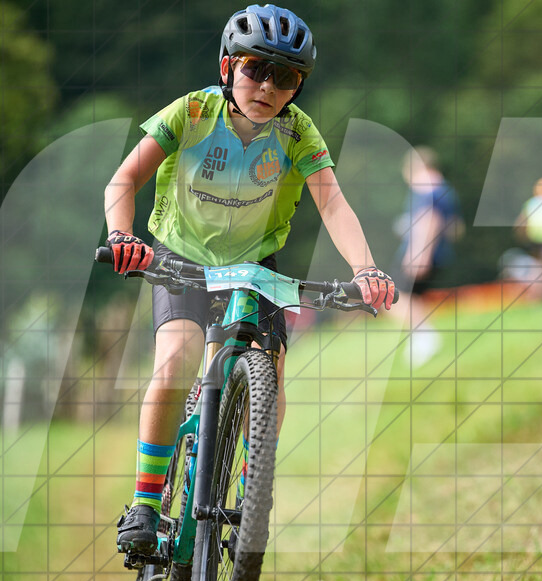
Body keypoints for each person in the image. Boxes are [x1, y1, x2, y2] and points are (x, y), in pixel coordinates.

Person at [106, 4, 396, 553]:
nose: (266, 85)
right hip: (181, 258)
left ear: (297, 87)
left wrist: (366, 269)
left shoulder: (297, 132)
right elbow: (122, 181)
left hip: (254, 265)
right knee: (177, 359)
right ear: (226, 67)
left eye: (284, 76)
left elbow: (332, 202)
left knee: (273, 371)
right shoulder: (191, 113)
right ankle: (145, 505)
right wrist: (123, 237)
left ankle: (248, 493)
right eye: (254, 69)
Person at [393, 147, 462, 366]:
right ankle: (421, 337)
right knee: (411, 298)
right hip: (438, 253)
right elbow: (455, 228)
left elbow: (429, 219)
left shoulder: (426, 186)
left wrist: (419, 253)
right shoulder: (446, 189)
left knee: (390, 297)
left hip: (421, 254)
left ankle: (424, 336)